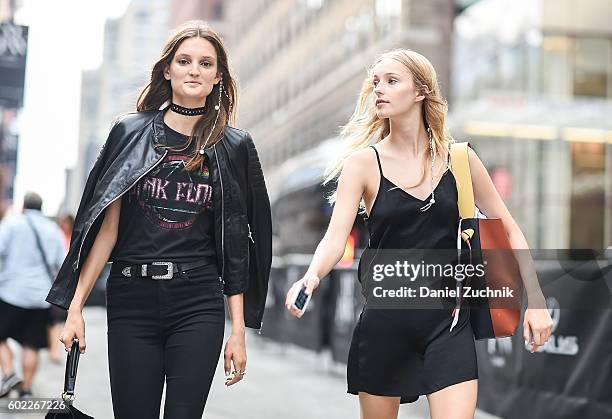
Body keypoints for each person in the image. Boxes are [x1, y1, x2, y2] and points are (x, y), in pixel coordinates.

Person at [285, 49, 553, 419]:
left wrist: (535, 301)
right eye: (375, 82)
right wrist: (311, 277)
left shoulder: (460, 159)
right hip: (384, 323)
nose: (379, 89)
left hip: (448, 323)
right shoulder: (363, 164)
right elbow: (334, 238)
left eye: (392, 81)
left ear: (421, 91)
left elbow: (508, 228)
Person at [46, 21, 272, 419]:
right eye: (184, 61)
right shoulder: (128, 132)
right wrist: (75, 308)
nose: (194, 70)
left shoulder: (234, 145)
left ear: (217, 76)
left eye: (205, 63)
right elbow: (106, 230)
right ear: (167, 69)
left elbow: (238, 243)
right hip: (131, 299)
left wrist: (237, 329)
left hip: (197, 299)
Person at [0, 192, 66, 398]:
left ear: (24, 206)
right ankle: (27, 389)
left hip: (11, 292)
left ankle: (9, 373)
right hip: (40, 297)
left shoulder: (12, 223)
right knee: (32, 344)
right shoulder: (53, 229)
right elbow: (61, 262)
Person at [46, 214, 74, 363]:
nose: (64, 225)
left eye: (66, 223)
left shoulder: (73, 237)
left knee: (56, 316)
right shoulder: (55, 235)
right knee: (53, 317)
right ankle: (53, 348)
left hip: (64, 282)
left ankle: (54, 350)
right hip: (53, 281)